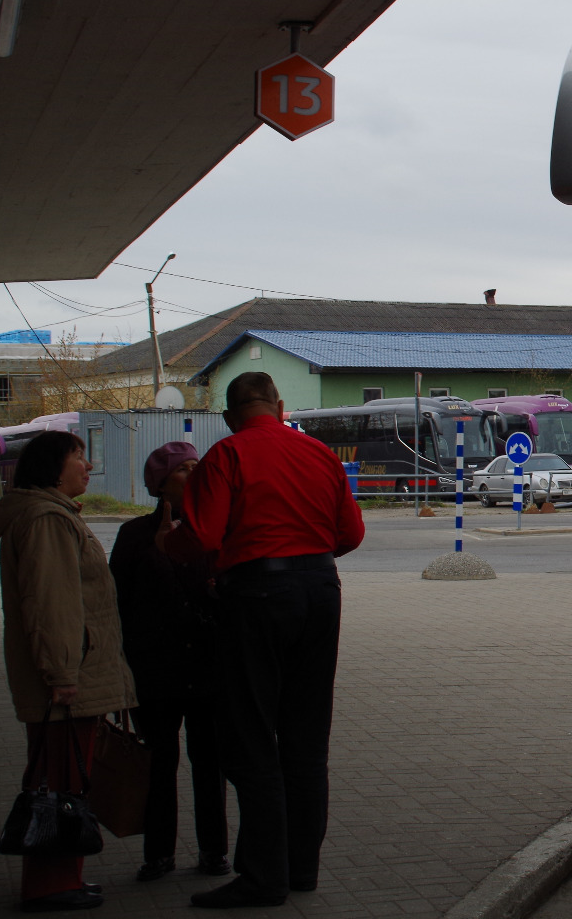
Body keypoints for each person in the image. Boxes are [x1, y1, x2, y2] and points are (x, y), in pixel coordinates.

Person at [159, 372, 365, 908]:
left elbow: (202, 536)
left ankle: (262, 875)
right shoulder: (319, 453)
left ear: (230, 415)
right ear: (278, 405)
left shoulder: (225, 456)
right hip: (321, 591)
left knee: (250, 736)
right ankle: (301, 870)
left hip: (255, 596)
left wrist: (170, 545)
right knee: (305, 735)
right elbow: (351, 534)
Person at [0, 430, 137, 912]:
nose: (87, 466)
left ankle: (64, 877)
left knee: (67, 780)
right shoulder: (46, 520)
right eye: (79, 458)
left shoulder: (50, 515)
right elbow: (51, 604)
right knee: (59, 784)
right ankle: (49, 884)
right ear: (53, 467)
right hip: (65, 678)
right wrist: (61, 673)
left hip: (73, 672)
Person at [109, 442, 230, 882]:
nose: (196, 474)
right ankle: (157, 853)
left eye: (199, 467)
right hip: (155, 669)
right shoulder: (134, 536)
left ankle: (214, 850)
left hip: (207, 665)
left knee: (210, 763)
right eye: (185, 469)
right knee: (158, 763)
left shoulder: (214, 528)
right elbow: (117, 603)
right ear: (161, 484)